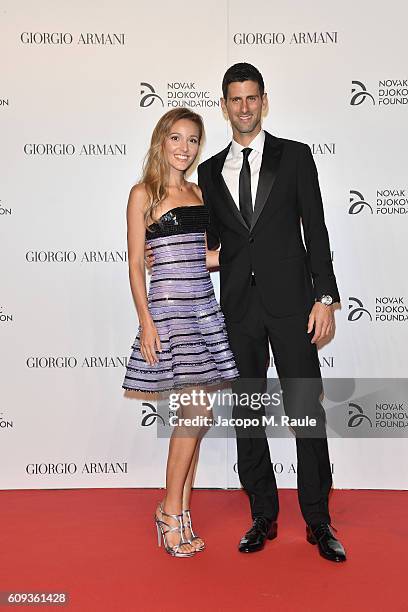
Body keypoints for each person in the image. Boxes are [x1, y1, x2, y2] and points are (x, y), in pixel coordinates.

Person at [196, 63, 346, 562]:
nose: (243, 107)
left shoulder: (296, 157)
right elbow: (221, 245)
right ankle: (262, 515)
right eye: (235, 99)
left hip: (293, 307)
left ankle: (318, 520)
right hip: (238, 309)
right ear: (224, 104)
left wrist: (324, 298)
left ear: (264, 100)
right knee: (247, 413)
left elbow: (317, 232)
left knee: (306, 410)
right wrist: (173, 251)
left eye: (251, 98)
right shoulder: (209, 171)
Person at [122, 107, 239, 558]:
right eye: (176, 138)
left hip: (203, 308)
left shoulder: (199, 192)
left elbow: (206, 257)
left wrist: (254, 255)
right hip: (169, 311)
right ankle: (169, 512)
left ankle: (182, 509)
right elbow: (135, 263)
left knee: (197, 417)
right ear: (161, 141)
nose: (184, 148)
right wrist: (146, 321)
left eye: (193, 140)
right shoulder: (142, 194)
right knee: (194, 415)